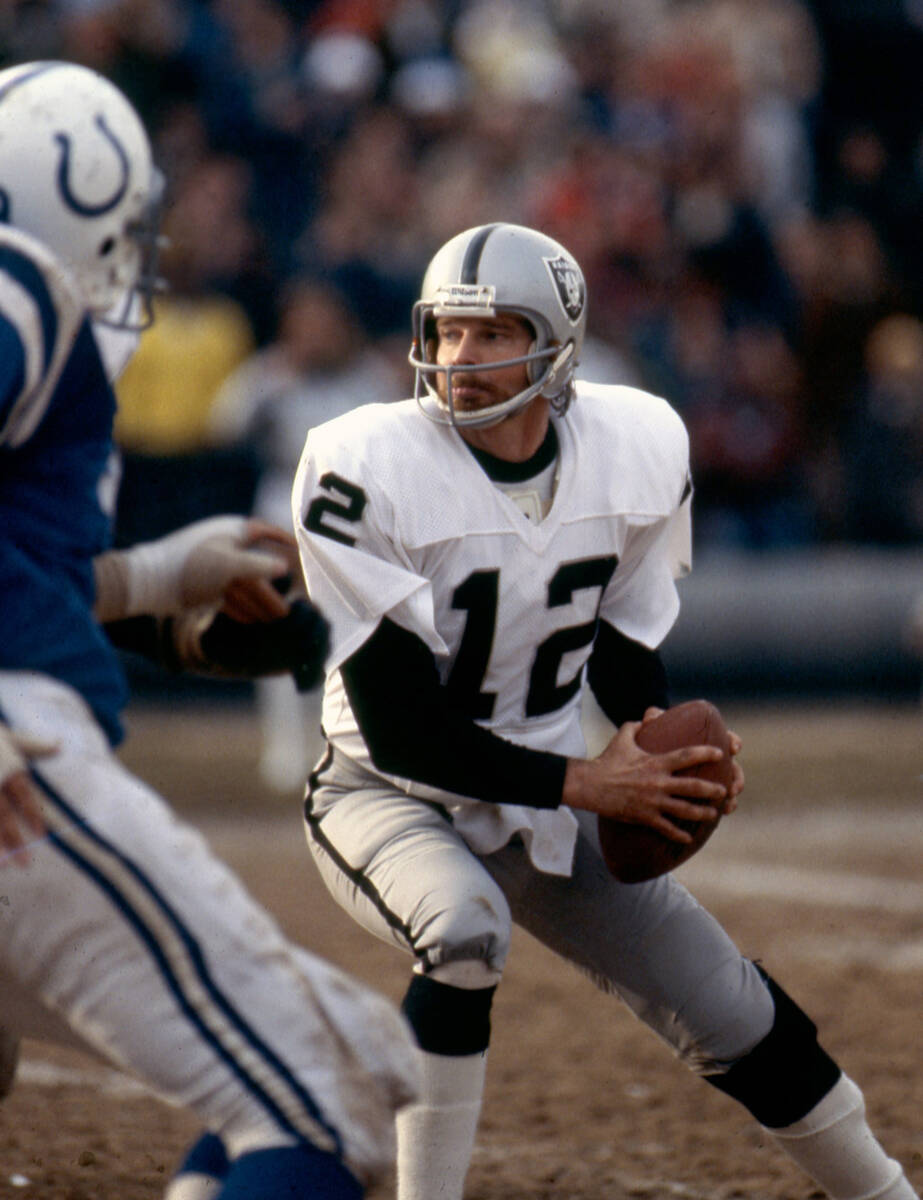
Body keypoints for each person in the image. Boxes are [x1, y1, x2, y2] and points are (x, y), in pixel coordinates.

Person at [292, 221, 920, 1200]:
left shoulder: (635, 445)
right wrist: (592, 780)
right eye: (447, 333)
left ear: (555, 346)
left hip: (548, 789)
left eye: (492, 333)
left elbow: (623, 649)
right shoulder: (360, 465)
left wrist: (654, 750)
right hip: (387, 792)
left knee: (725, 1000)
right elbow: (399, 727)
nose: (459, 359)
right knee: (463, 932)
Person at [0, 60, 418, 1200]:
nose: (140, 254)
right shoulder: (23, 284)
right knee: (323, 1107)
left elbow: (27, 574)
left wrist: (157, 579)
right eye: (125, 221)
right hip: (22, 761)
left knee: (362, 1056)